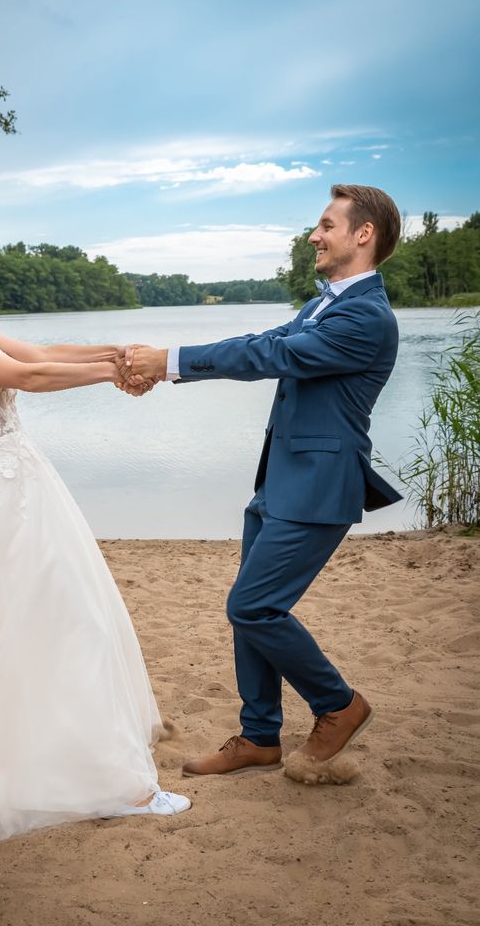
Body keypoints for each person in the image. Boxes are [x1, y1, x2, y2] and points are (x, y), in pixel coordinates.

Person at [0, 224, 188, 846]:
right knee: (60, 618)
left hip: (19, 482)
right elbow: (28, 379)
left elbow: (44, 355)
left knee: (41, 619)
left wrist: (113, 353)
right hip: (0, 494)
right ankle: (107, 780)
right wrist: (111, 378)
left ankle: (60, 754)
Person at [119, 184, 403, 778]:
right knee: (251, 609)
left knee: (253, 606)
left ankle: (338, 704)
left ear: (363, 234)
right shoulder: (327, 302)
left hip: (319, 487)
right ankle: (258, 737)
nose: (313, 236)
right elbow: (263, 343)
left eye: (326, 225)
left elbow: (266, 359)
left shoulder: (366, 317)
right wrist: (173, 369)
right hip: (280, 482)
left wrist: (169, 360)